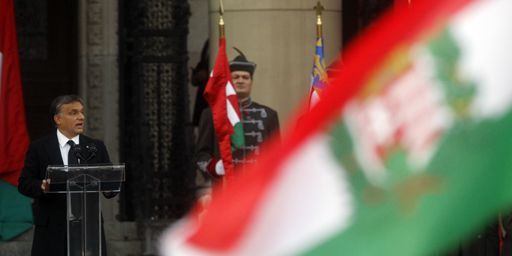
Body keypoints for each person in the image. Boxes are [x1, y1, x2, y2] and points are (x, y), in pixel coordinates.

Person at [18, 95, 114, 256]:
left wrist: (109, 189)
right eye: (73, 113)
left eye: (82, 112)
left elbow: (110, 181)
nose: (81, 117)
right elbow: (24, 183)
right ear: (58, 119)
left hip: (88, 228)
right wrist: (42, 186)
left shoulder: (95, 147)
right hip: (52, 228)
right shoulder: (39, 147)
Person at [195, 48, 280, 180]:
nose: (240, 81)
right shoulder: (211, 115)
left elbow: (277, 155)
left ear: (251, 82)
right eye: (235, 77)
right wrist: (215, 167)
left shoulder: (269, 115)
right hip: (226, 187)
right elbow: (201, 156)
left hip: (257, 185)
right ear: (229, 82)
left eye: (245, 77)